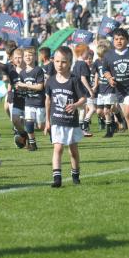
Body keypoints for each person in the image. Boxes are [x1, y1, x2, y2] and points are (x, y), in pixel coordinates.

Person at [45, 46, 86, 187]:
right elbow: (48, 101)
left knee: (73, 151)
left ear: (69, 63)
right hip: (56, 120)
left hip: (71, 122)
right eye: (57, 61)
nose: (59, 65)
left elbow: (83, 99)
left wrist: (75, 105)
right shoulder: (50, 81)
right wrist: (47, 121)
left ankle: (75, 175)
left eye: (63, 62)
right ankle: (57, 178)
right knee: (58, 148)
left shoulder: (74, 80)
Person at [17, 47, 45, 151]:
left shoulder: (38, 70)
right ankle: (33, 144)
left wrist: (24, 85)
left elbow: (40, 87)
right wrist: (19, 87)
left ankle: (51, 132)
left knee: (40, 125)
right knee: (28, 123)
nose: (27, 57)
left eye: (30, 55)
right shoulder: (22, 73)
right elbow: (22, 88)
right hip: (28, 102)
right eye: (26, 55)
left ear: (35, 57)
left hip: (39, 102)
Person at [94, 43, 117, 137]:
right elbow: (96, 74)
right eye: (99, 56)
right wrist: (95, 85)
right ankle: (113, 122)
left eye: (102, 56)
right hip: (101, 89)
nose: (100, 58)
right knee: (99, 111)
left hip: (109, 89)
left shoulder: (110, 61)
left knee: (106, 110)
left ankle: (109, 132)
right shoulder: (96, 62)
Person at [72, 43, 94, 136]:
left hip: (77, 91)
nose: (88, 54)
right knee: (92, 109)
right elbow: (83, 78)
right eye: (87, 52)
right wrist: (90, 90)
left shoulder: (76, 63)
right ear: (82, 52)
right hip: (84, 91)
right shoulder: (83, 64)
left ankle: (80, 130)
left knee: (82, 110)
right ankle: (84, 126)